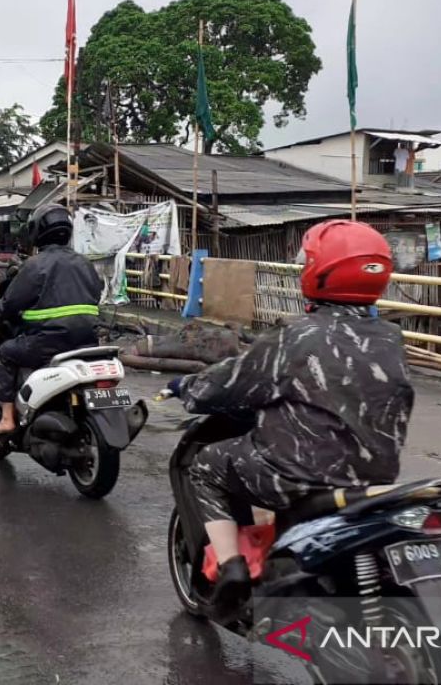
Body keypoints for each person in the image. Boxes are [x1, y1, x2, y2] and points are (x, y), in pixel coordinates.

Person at [168, 220, 412, 620]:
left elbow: (228, 383)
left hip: (298, 477)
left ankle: (231, 571)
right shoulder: (391, 337)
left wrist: (188, 387)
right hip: (374, 480)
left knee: (206, 466)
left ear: (320, 271)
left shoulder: (294, 337)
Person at [0, 205, 103, 436]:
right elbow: (97, 293)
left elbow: (10, 305)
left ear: (36, 232)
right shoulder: (85, 263)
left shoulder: (35, 265)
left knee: (6, 352)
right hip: (87, 341)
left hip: (48, 342)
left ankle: (7, 419)